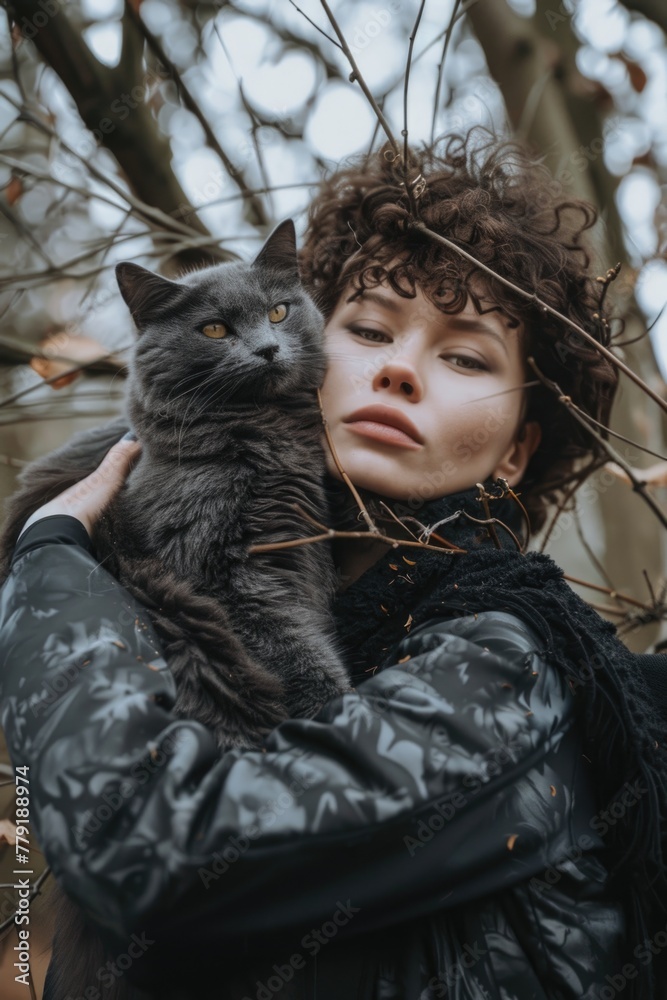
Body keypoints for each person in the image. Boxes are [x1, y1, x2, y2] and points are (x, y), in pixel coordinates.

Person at [1, 131, 666, 1000]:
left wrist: (51, 562)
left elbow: (150, 851)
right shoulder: (204, 575)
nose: (397, 368)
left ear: (516, 452)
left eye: (463, 355)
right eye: (368, 327)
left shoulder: (512, 665)